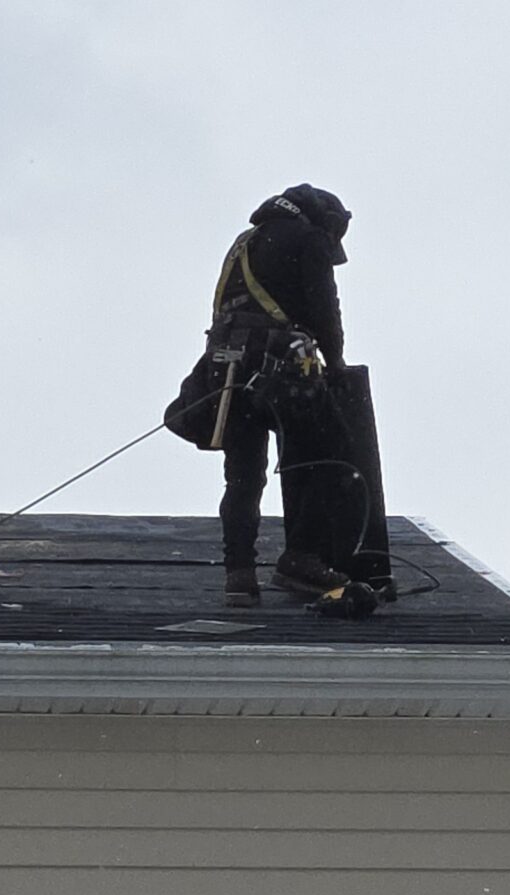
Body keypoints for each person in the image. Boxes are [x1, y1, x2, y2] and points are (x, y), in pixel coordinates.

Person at [165, 185, 371, 608]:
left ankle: (239, 576)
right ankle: (300, 559)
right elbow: (324, 310)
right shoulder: (306, 238)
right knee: (332, 454)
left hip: (229, 369)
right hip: (280, 367)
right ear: (326, 222)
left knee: (243, 476)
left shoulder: (247, 242)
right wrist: (335, 364)